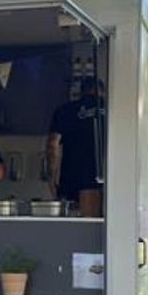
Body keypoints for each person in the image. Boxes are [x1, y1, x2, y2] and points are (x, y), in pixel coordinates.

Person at [46, 76, 106, 217]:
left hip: (73, 182)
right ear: (102, 92)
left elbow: (53, 145)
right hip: (109, 183)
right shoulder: (115, 110)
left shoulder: (65, 110)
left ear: (81, 92)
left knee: (75, 230)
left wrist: (51, 178)